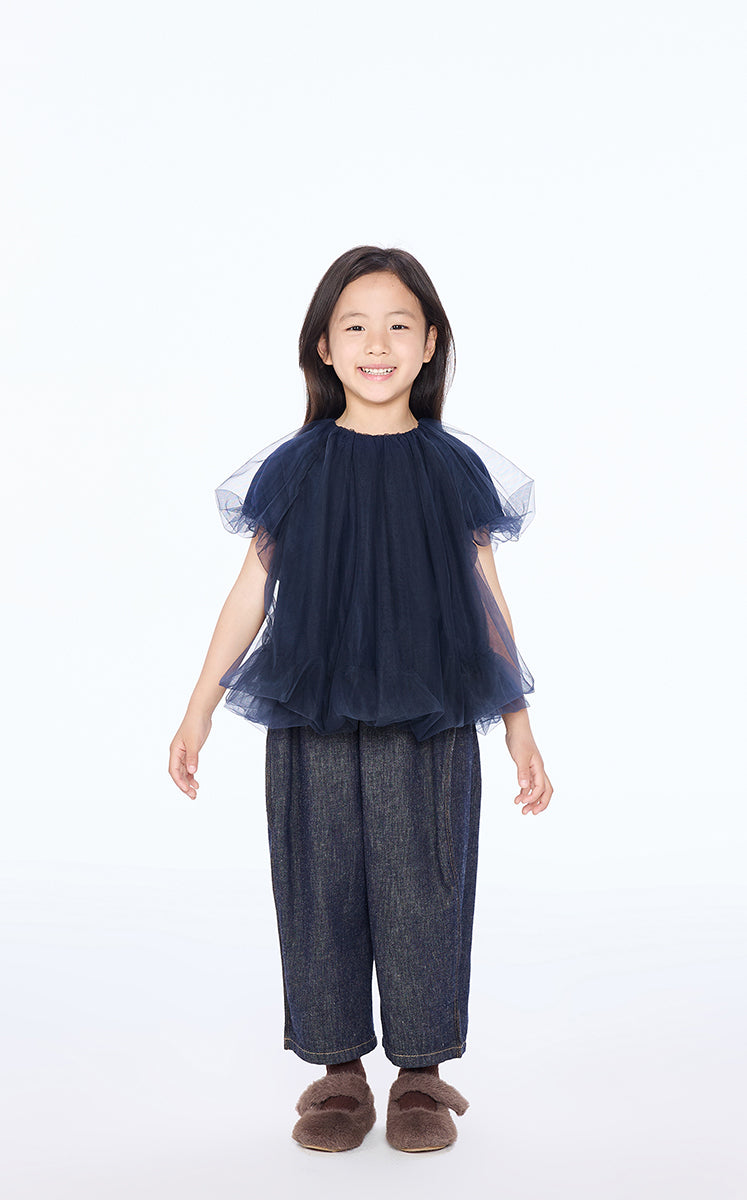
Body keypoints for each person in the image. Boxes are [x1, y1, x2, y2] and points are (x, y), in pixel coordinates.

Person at [169, 245, 553, 1153]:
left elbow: (485, 595)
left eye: (398, 326)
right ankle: (339, 1072)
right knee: (319, 881)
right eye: (355, 326)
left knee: (425, 885)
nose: (376, 344)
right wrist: (197, 708)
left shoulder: (450, 469)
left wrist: (519, 725)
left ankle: (420, 1074)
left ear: (429, 345)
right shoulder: (297, 468)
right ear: (323, 347)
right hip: (312, 707)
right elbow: (250, 591)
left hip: (430, 710)